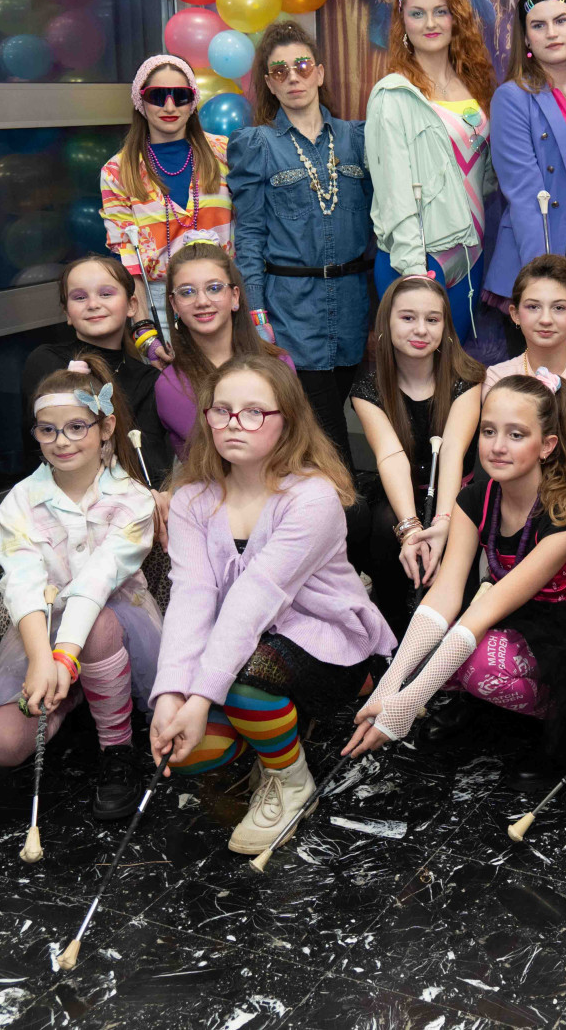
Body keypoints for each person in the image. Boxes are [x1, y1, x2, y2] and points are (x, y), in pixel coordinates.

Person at [343, 373, 566, 767]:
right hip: (516, 615)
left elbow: (484, 612)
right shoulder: (475, 497)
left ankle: (565, 720)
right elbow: (445, 594)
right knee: (423, 645)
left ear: (547, 446)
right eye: (489, 431)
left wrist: (405, 707)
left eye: (516, 435)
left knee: (474, 665)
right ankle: (488, 706)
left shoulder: (565, 518)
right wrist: (388, 688)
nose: (498, 446)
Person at [149, 357, 394, 853]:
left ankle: (291, 780)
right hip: (242, 639)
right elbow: (191, 597)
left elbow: (253, 597)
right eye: (222, 410)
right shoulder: (192, 500)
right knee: (187, 751)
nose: (233, 423)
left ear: (288, 421)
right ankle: (273, 727)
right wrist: (172, 695)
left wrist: (202, 699)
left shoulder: (311, 497)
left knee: (247, 681)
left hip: (328, 642)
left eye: (254, 412)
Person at [0, 356, 162, 820]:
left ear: (106, 427)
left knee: (97, 625)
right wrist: (42, 659)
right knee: (2, 745)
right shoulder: (20, 501)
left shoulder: (133, 499)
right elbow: (22, 583)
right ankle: (75, 691)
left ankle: (115, 747)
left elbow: (97, 582)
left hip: (115, 622)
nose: (61, 441)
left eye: (77, 427)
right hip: (43, 628)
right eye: (48, 430)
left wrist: (62, 658)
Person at [228, 21, 374, 466]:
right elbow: (249, 236)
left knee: (323, 431)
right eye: (280, 71)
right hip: (292, 311)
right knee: (327, 435)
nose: (293, 77)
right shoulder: (256, 144)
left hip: (353, 308)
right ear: (270, 84)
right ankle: (348, 503)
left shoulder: (357, 137)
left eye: (302, 66)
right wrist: (255, 313)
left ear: (320, 73)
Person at [365, 0, 498, 349]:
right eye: (417, 13)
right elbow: (393, 193)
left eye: (440, 11)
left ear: (456, 17)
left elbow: (484, 176)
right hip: (418, 258)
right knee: (415, 373)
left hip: (471, 253)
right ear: (403, 23)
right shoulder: (393, 94)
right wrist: (413, 273)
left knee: (454, 367)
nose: (430, 23)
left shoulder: (475, 85)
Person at [485, 0, 566, 360]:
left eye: (560, 20)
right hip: (547, 256)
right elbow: (526, 196)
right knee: (540, 386)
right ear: (526, 38)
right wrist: (544, 282)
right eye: (538, 25)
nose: (552, 32)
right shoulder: (513, 97)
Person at [350, 275, 485, 634]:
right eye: (408, 317)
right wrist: (410, 530)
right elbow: (390, 455)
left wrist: (443, 522)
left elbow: (452, 451)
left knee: (458, 532)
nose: (421, 329)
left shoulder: (467, 379)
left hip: (456, 492)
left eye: (432, 319)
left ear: (445, 326)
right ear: (386, 323)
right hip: (402, 490)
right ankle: (392, 635)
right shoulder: (368, 389)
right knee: (385, 525)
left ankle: (449, 635)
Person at [101, 54, 232, 349]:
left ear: (193, 101)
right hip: (157, 304)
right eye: (158, 96)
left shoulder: (226, 153)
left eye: (181, 96)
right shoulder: (117, 171)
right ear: (140, 101)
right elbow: (129, 261)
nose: (170, 106)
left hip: (222, 297)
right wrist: (145, 332)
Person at [19, 255, 173, 487]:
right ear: (67, 312)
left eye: (106, 294)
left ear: (132, 305)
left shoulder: (148, 379)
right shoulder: (47, 361)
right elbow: (44, 449)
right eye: (80, 297)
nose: (93, 304)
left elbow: (152, 464)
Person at [153, 240, 291, 461]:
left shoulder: (280, 363)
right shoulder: (171, 386)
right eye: (187, 292)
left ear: (235, 296)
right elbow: (223, 462)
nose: (202, 301)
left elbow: (297, 442)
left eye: (214, 288)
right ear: (174, 304)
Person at [482, 253, 566, 425]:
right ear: (515, 314)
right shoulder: (497, 378)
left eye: (559, 308)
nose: (546, 319)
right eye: (533, 307)